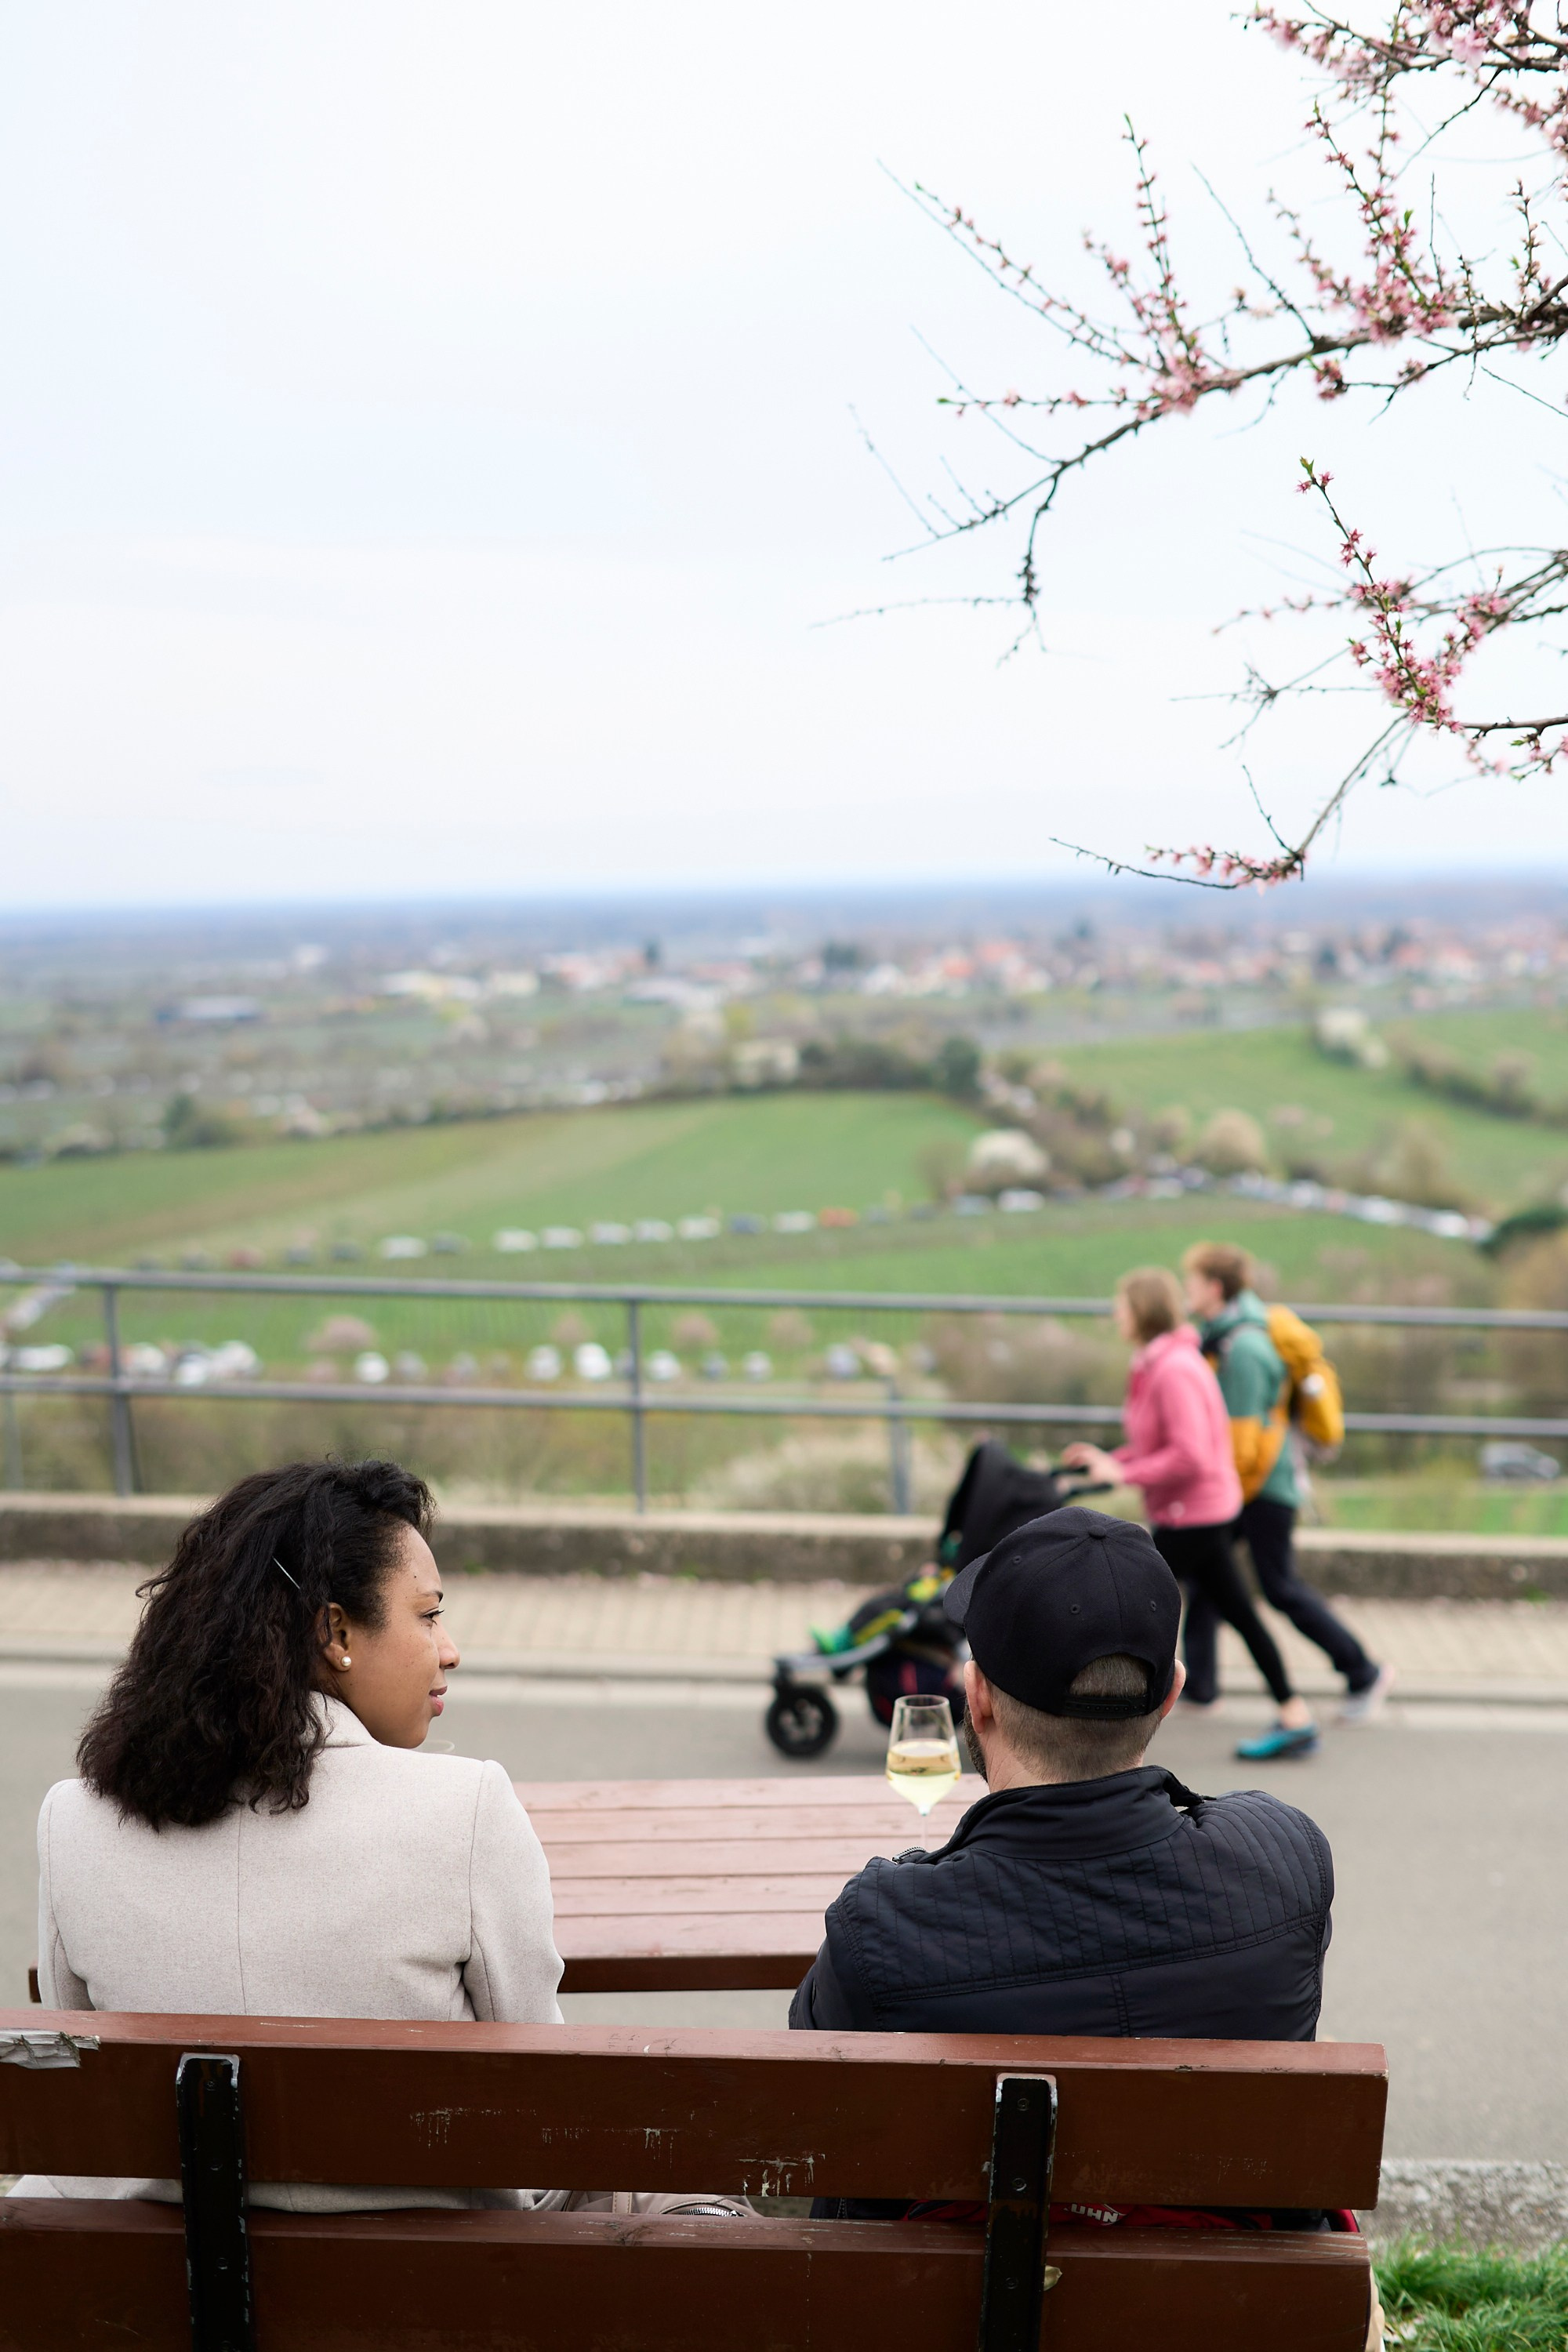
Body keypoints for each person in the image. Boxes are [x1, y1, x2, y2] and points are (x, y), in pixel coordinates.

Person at [789, 1508, 1346, 2234]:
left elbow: (813, 2084)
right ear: (1171, 1694)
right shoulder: (1285, 1860)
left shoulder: (882, 1928)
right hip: (1234, 2296)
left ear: (976, 1698)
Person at [1062, 1266, 1317, 1762]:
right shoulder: (1159, 1362)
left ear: (1142, 1312)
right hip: (1199, 1510)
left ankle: (1093, 1716)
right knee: (1239, 1612)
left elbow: (1189, 1455)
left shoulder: (1174, 1368)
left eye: (1121, 1306)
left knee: (1117, 1598)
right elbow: (1157, 1444)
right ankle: (1295, 1714)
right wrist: (1111, 1461)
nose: (1115, 1314)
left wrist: (1122, 1472)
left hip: (1194, 1514)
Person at [1181, 1243, 1394, 1726]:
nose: (1185, 1290)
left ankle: (1364, 1672)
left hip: (1261, 1486)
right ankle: (1201, 1687)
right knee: (1208, 1575)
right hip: (1249, 1483)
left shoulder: (1244, 1347)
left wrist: (1214, 1492)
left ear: (1214, 1288)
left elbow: (1244, 1438)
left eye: (1191, 1281)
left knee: (1279, 1587)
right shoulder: (1224, 1336)